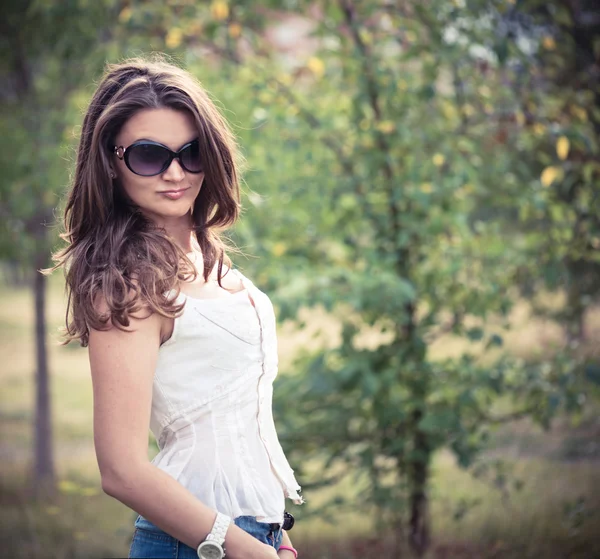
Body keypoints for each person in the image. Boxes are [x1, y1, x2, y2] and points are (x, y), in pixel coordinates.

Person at [47, 55, 304, 559]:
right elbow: (121, 471)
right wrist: (247, 551)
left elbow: (241, 423)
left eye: (191, 153)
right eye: (148, 155)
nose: (175, 172)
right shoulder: (126, 285)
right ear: (111, 163)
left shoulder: (207, 258)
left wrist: (278, 538)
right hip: (194, 545)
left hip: (260, 536)